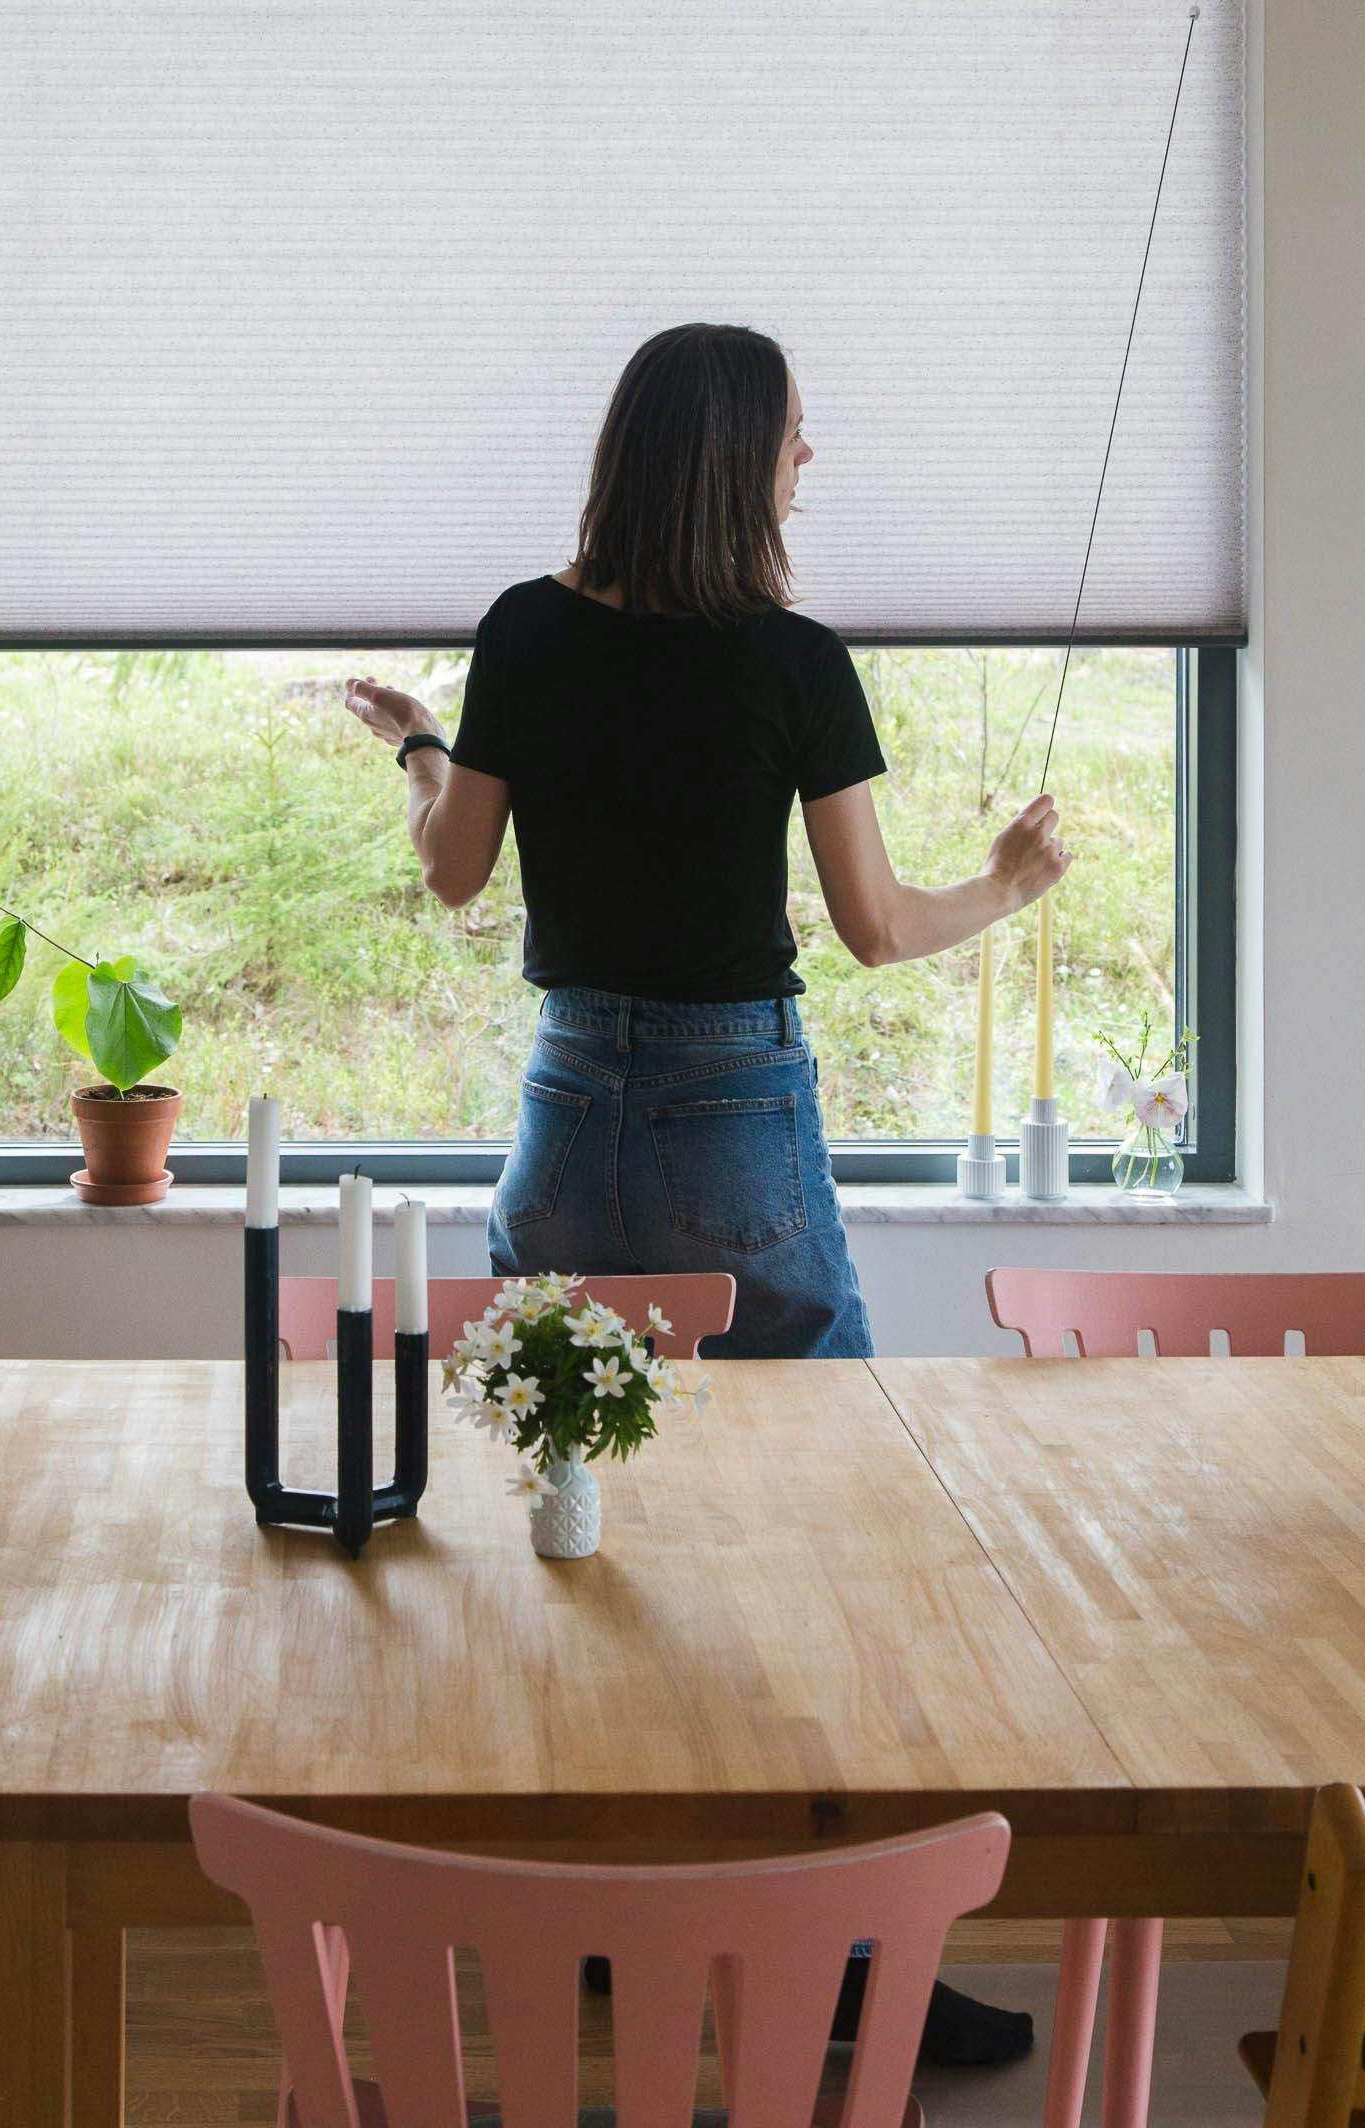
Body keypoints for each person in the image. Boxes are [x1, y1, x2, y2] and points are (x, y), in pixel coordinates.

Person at [345, 321, 1069, 2066]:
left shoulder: (524, 629)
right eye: (797, 436)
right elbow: (876, 928)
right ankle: (847, 1964)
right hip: (733, 1108)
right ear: (738, 457)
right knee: (832, 1540)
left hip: (564, 1104)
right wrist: (1006, 883)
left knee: (590, 1521)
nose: (811, 461)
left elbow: (454, 876)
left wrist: (422, 749)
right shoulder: (793, 662)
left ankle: (613, 1914)